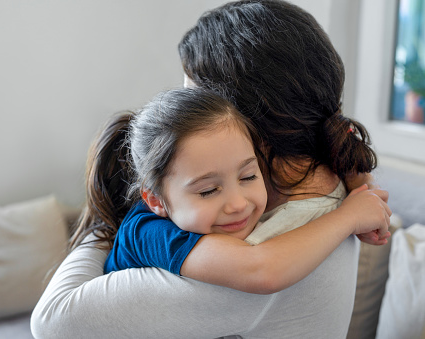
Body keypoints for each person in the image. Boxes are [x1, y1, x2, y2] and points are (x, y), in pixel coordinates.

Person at [31, 1, 392, 337]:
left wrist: (106, 228)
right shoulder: (332, 183)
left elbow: (54, 321)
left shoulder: (260, 245)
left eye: (197, 99)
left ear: (245, 122)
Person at [98, 87, 388, 295]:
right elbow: (262, 270)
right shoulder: (147, 233)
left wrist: (360, 182)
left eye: (249, 175)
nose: (238, 204)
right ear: (156, 200)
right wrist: (349, 216)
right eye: (209, 191)